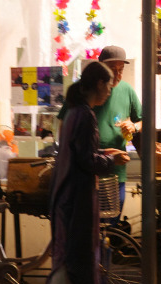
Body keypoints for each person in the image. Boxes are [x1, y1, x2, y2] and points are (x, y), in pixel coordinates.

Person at [41, 61, 129, 284]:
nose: (110, 89)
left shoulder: (77, 113)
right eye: (107, 84)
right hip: (74, 200)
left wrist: (105, 152)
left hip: (72, 196)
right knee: (69, 262)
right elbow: (86, 160)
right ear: (96, 85)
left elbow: (83, 153)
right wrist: (111, 160)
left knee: (76, 259)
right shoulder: (85, 116)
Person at [59, 45, 141, 212]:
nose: (117, 75)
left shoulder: (126, 91)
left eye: (121, 69)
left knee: (108, 226)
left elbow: (142, 120)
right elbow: (84, 157)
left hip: (112, 170)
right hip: (88, 175)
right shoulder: (84, 112)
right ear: (100, 79)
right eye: (112, 70)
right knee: (98, 226)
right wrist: (107, 157)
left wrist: (133, 127)